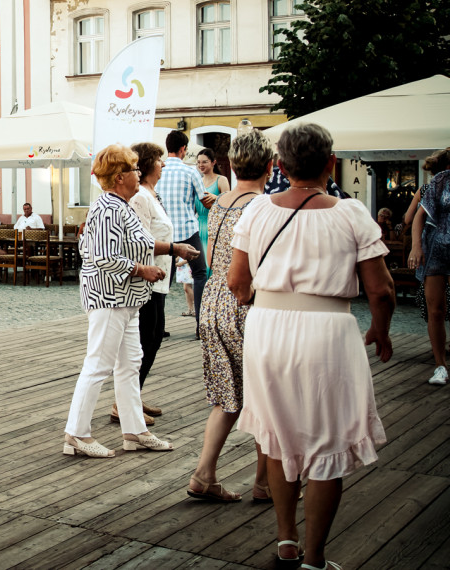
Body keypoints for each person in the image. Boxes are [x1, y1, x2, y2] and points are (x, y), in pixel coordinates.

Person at [230, 122, 394, 568]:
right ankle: (315, 559)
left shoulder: (257, 211)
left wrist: (269, 301)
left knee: (278, 439)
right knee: (328, 443)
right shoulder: (351, 213)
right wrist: (380, 329)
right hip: (328, 331)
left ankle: (286, 539)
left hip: (267, 330)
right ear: (331, 163)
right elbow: (380, 290)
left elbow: (236, 282)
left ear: (279, 165)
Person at [63, 144, 199, 458]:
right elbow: (102, 256)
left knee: (129, 364)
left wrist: (174, 249)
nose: (139, 174)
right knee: (98, 365)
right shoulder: (109, 207)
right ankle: (76, 434)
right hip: (110, 296)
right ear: (121, 176)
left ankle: (134, 431)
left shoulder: (120, 204)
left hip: (128, 298)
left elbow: (142, 241)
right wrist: (141, 269)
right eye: (134, 170)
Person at [187, 129, 273, 504]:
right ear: (269, 167)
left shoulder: (220, 201)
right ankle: (266, 484)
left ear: (231, 165)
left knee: (227, 396)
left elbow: (213, 257)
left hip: (212, 303)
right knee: (264, 397)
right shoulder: (263, 206)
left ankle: (203, 475)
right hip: (244, 303)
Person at [124, 141, 175, 425]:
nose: (163, 165)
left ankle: (134, 396)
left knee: (153, 338)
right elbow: (141, 241)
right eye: (159, 160)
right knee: (146, 339)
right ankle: (125, 402)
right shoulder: (140, 197)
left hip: (161, 277)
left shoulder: (152, 195)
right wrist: (174, 248)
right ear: (147, 165)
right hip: (148, 278)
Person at [159, 130, 215, 329]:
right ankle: (200, 324)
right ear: (183, 149)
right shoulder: (191, 171)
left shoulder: (158, 171)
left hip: (166, 234)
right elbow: (205, 200)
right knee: (199, 274)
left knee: (163, 278)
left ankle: (159, 327)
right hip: (189, 232)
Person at [408, 149, 450, 386]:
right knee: (436, 310)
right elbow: (417, 216)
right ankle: (440, 365)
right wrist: (416, 247)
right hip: (436, 249)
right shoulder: (440, 180)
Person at [196, 149, 230, 276]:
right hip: (199, 226)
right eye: (198, 162)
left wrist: (217, 198)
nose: (201, 165)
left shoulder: (221, 180)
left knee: (211, 266)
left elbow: (228, 204)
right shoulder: (197, 181)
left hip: (214, 226)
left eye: (204, 162)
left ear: (213, 162)